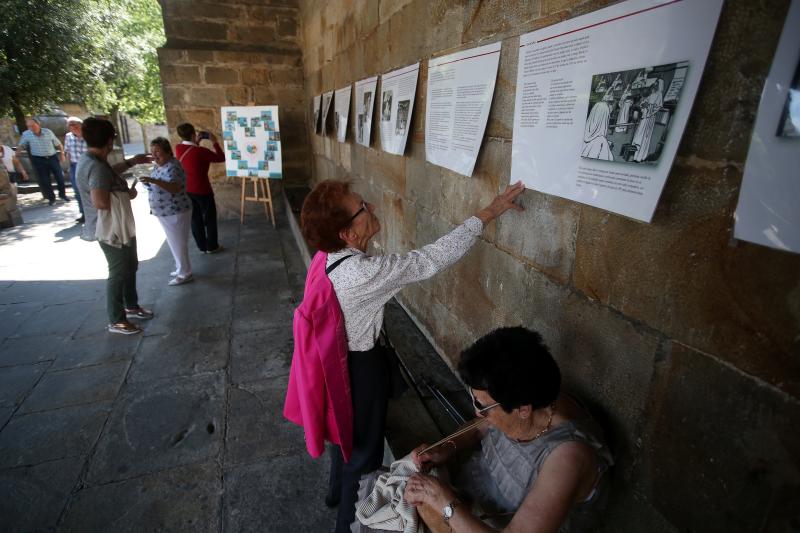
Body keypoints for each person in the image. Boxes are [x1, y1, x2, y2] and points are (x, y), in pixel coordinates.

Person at [299, 179, 525, 533]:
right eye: (363, 207)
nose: (371, 207)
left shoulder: (327, 257)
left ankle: (334, 493)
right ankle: (351, 523)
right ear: (347, 232)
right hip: (359, 372)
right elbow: (430, 259)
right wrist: (490, 211)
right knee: (365, 457)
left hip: (340, 366)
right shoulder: (361, 273)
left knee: (347, 442)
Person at [404, 327, 614, 533]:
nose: (477, 413)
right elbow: (479, 429)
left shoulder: (569, 456)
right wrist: (446, 448)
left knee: (427, 506)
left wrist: (443, 502)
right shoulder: (520, 396)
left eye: (481, 406)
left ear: (523, 409)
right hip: (475, 494)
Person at [76, 117, 153, 335]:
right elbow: (100, 201)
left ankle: (131, 305)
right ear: (110, 140)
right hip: (111, 230)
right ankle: (117, 319)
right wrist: (126, 193)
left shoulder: (93, 160)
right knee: (119, 271)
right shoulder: (96, 166)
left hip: (117, 227)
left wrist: (131, 162)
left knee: (130, 266)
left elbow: (109, 174)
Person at [139, 138, 194, 286]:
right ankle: (180, 268)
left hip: (175, 210)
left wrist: (154, 181)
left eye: (158, 152)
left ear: (168, 152)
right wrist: (149, 183)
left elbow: (174, 188)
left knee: (178, 243)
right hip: (165, 211)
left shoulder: (173, 167)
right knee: (174, 242)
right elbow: (158, 185)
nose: (155, 156)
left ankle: (185, 273)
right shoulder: (159, 166)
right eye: (152, 153)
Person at [174, 123, 225, 254]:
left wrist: (195, 142)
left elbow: (190, 152)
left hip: (187, 190)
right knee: (210, 218)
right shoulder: (201, 151)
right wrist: (214, 142)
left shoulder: (178, 148)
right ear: (192, 134)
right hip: (203, 189)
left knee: (195, 219)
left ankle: (202, 247)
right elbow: (221, 157)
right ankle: (212, 246)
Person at [15, 117, 68, 205]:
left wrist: (62, 154)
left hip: (52, 157)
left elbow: (58, 144)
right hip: (39, 159)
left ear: (38, 124)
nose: (31, 128)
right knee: (45, 180)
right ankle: (51, 198)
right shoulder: (27, 134)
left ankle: (62, 195)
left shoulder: (48, 132)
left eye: (33, 125)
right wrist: (17, 153)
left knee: (60, 177)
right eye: (29, 126)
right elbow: (21, 145)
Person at [632, 80, 664, 163]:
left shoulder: (659, 95)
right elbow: (644, 102)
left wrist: (649, 107)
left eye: (657, 84)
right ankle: (635, 155)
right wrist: (643, 104)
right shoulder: (652, 94)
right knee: (639, 134)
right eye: (655, 83)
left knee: (644, 137)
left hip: (649, 118)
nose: (655, 85)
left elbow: (657, 107)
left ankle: (640, 157)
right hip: (644, 116)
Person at [64, 116, 87, 223]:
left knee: (90, 190)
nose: (73, 127)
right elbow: (67, 152)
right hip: (74, 166)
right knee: (78, 191)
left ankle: (94, 212)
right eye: (70, 125)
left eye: (75, 124)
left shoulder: (88, 136)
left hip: (87, 165)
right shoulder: (68, 137)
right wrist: (68, 167)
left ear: (81, 125)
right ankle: (83, 213)